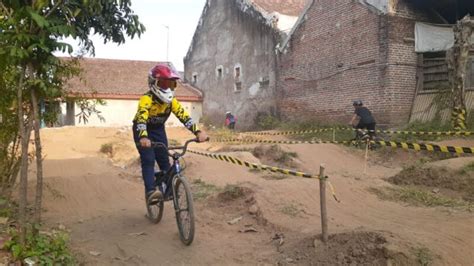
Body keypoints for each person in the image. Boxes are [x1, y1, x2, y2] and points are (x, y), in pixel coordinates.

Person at [133, 64, 208, 203]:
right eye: (163, 83)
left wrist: (197, 132)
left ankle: (168, 191)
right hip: (142, 129)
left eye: (171, 84)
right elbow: (142, 118)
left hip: (158, 130)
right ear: (154, 83)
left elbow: (184, 116)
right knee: (148, 159)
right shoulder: (146, 99)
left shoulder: (171, 102)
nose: (167, 87)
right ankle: (151, 191)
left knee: (164, 161)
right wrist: (143, 136)